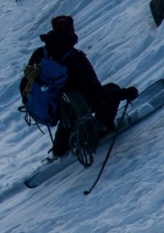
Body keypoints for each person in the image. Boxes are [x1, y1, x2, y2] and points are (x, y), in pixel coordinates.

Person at [19, 15, 138, 161]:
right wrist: (126, 93)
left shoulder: (40, 54)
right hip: (77, 106)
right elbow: (96, 92)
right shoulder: (75, 58)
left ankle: (60, 149)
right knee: (106, 92)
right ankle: (100, 131)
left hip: (53, 108)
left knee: (67, 110)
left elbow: (25, 84)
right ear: (71, 30)